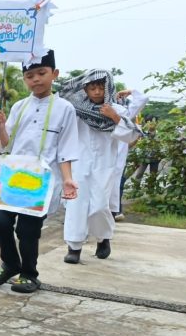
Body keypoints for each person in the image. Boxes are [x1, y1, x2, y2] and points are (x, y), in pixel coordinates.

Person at [0, 50, 80, 293]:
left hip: (42, 179)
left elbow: (66, 148)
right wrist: (0, 125)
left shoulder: (64, 108)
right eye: (29, 76)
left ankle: (30, 273)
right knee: (0, 223)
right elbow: (6, 143)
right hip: (14, 175)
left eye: (41, 73)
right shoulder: (20, 106)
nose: (36, 79)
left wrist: (69, 179)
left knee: (28, 230)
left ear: (54, 74)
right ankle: (10, 263)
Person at [60, 70, 140, 264]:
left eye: (100, 88)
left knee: (99, 206)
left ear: (108, 89)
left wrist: (114, 118)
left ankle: (103, 238)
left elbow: (133, 136)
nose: (96, 92)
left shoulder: (117, 110)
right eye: (92, 87)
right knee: (76, 206)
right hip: (79, 164)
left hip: (105, 165)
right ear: (85, 89)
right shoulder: (76, 110)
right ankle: (74, 247)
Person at [110, 88, 148, 220]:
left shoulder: (124, 116)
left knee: (115, 188)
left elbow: (142, 99)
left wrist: (131, 91)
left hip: (116, 164)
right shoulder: (95, 111)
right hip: (100, 164)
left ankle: (114, 214)